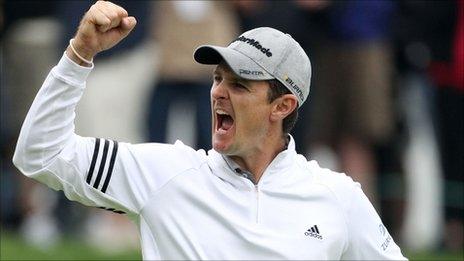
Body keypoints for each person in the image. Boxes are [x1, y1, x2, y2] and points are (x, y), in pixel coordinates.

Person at [13, 1, 407, 260]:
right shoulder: (163, 174)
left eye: (239, 85)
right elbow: (40, 154)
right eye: (218, 78)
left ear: (282, 106)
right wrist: (79, 54)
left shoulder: (337, 196)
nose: (219, 92)